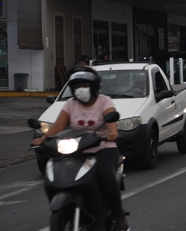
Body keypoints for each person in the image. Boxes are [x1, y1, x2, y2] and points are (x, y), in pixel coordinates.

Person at [32, 67, 130, 231]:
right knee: (56, 172)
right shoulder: (71, 103)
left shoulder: (104, 101)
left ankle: (118, 215)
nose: (80, 89)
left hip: (103, 147)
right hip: (78, 149)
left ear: (94, 86)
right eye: (77, 86)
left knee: (105, 175)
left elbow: (112, 123)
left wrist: (112, 133)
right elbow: (58, 125)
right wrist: (43, 138)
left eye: (85, 85)